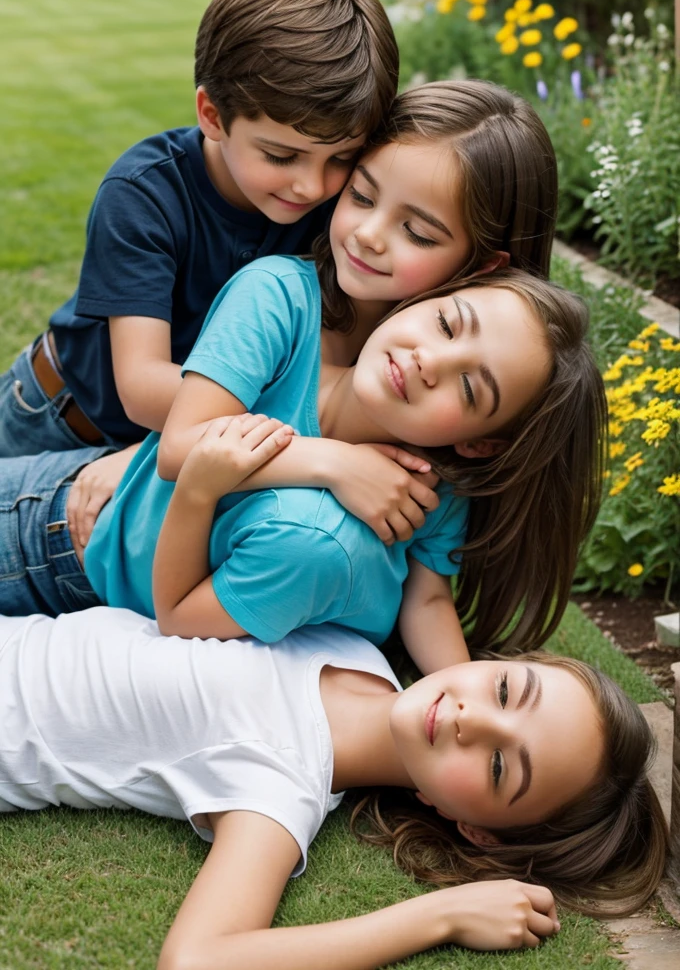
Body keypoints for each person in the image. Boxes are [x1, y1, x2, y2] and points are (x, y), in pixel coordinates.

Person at [0, 265, 603, 675]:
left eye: (470, 387)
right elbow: (183, 454)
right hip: (66, 534)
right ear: (428, 299)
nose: (429, 361)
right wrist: (338, 465)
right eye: (447, 323)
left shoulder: (433, 488)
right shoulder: (287, 332)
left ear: (477, 446)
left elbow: (426, 602)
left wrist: (458, 681)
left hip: (117, 588)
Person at [0, 606, 668, 967]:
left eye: (500, 767)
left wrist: (444, 914)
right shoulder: (359, 644)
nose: (473, 718)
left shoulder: (280, 779)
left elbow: (199, 958)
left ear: (473, 827)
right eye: (503, 689)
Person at [0, 0, 398, 457]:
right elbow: (143, 389)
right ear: (212, 114)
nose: (312, 187)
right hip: (59, 415)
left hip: (180, 437)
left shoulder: (337, 205)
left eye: (341, 157)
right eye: (281, 155)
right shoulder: (143, 194)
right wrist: (325, 400)